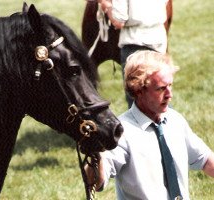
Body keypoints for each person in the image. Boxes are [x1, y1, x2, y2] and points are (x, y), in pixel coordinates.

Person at [85, 50, 214, 200]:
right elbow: (95, 182)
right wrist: (95, 152)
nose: (169, 94)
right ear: (138, 90)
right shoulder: (121, 132)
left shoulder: (175, 121)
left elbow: (205, 160)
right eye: (160, 88)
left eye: (170, 85)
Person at [98, 0, 170, 108]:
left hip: (135, 45)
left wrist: (107, 6)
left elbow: (119, 21)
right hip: (158, 41)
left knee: (137, 101)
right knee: (160, 93)